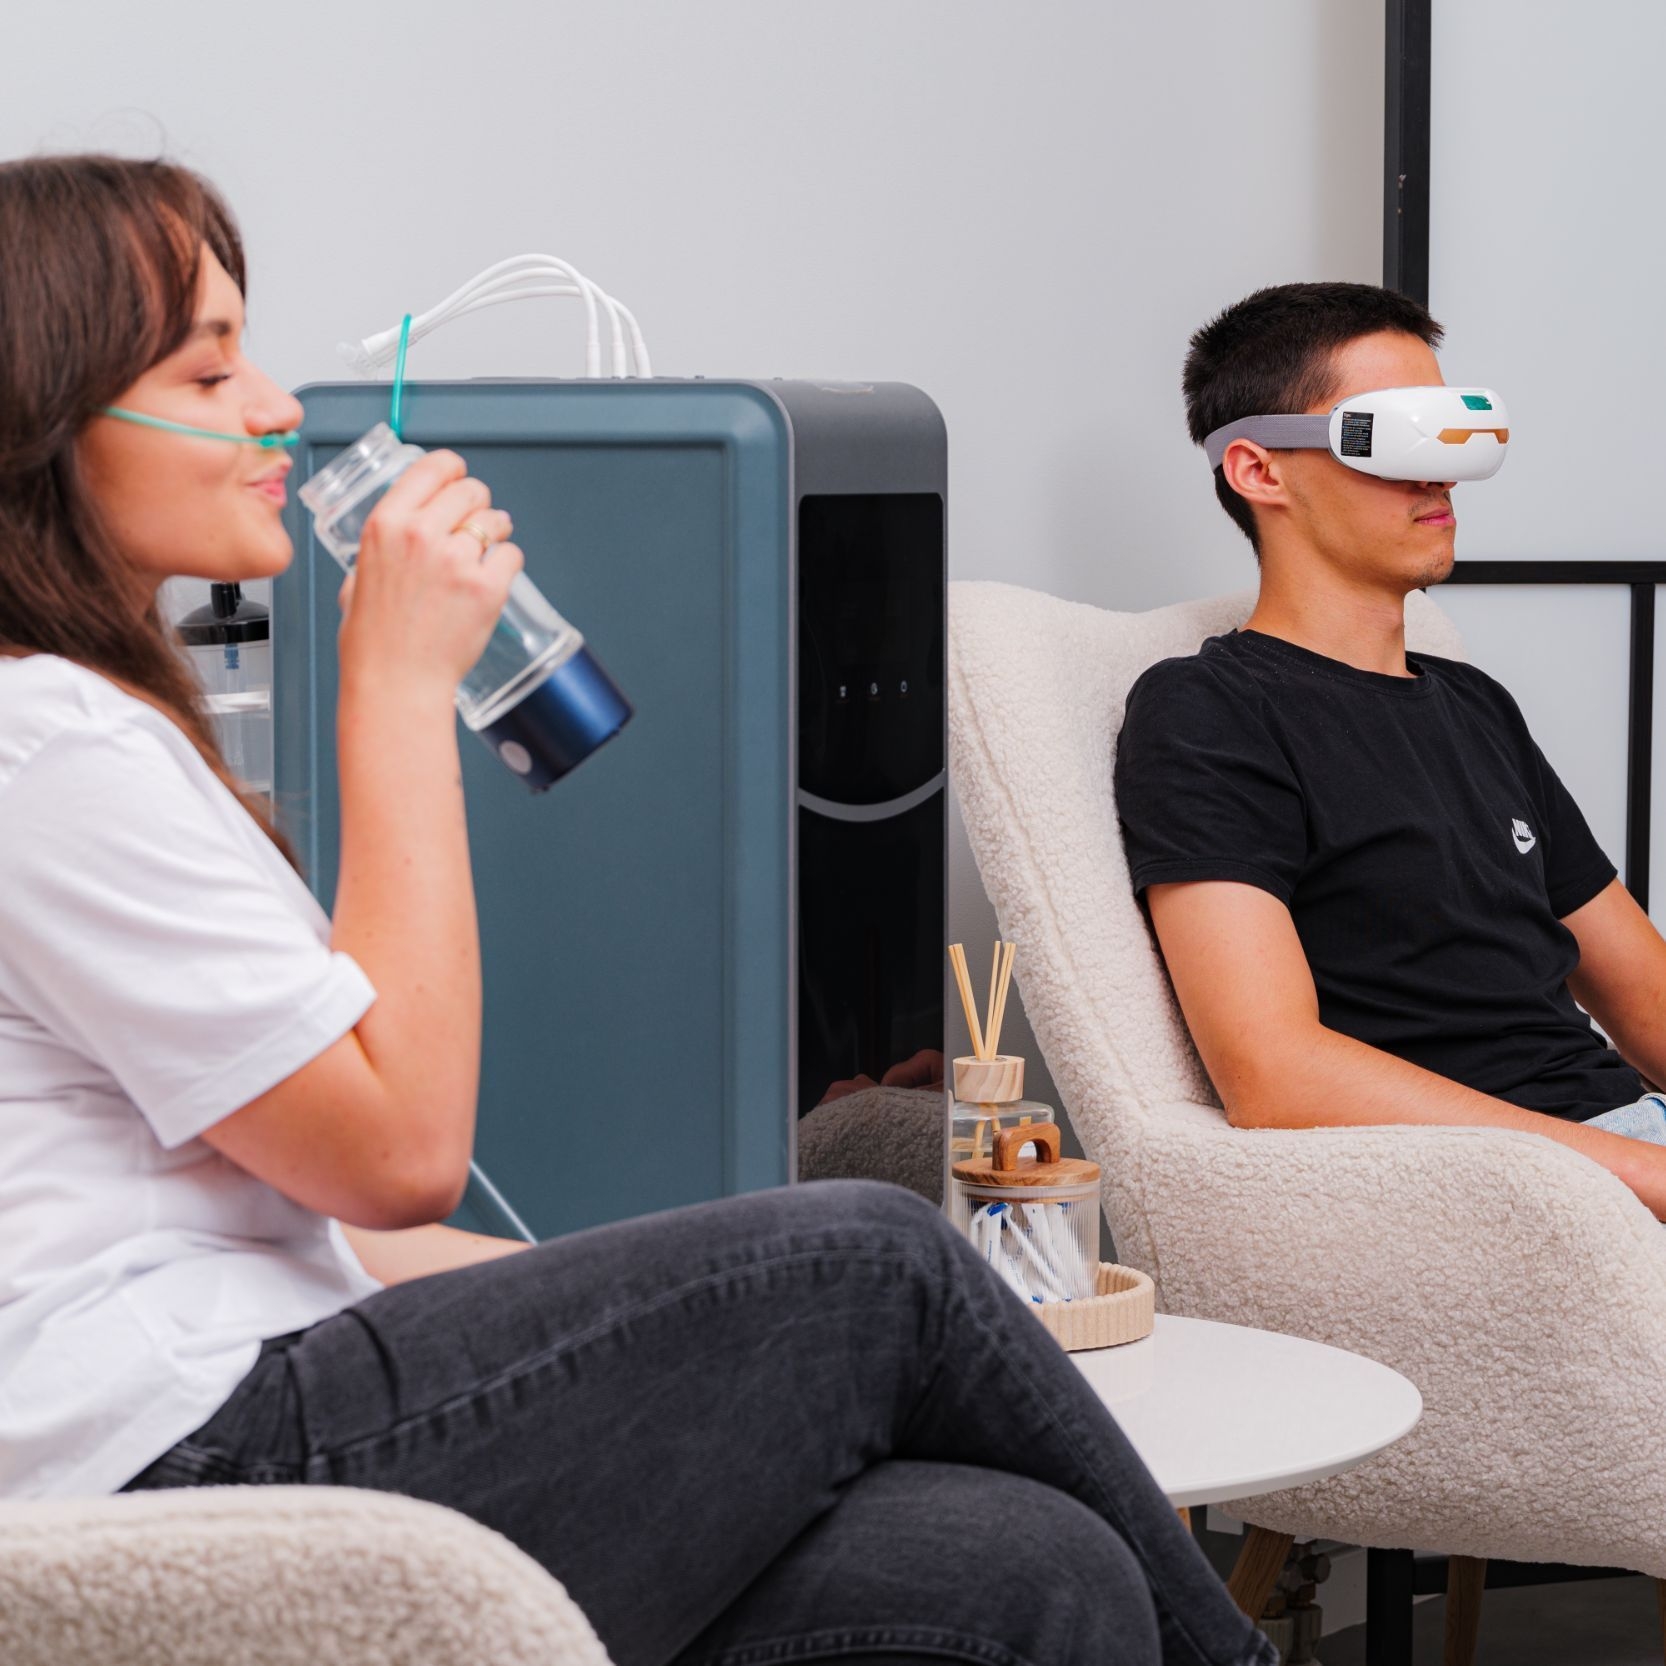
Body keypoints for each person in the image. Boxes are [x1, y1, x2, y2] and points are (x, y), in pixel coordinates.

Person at [0, 153, 1275, 1666]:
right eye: (210, 372)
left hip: (265, 1383)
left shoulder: (88, 733)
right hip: (177, 1460)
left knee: (1028, 1569)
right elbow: (398, 1158)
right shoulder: (49, 747)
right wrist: (396, 685)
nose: (275, 407)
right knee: (878, 1257)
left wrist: (686, 1312)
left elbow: (320, 1234)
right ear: (45, 420)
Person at [1115, 280, 1666, 1222]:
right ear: (1259, 470)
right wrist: (1636, 1175)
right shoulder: (1209, 710)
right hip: (1540, 1191)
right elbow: (1272, 1071)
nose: (1439, 476)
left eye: (1452, 435)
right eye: (1396, 437)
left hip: (1625, 1136)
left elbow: (1642, 996)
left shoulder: (1474, 703)